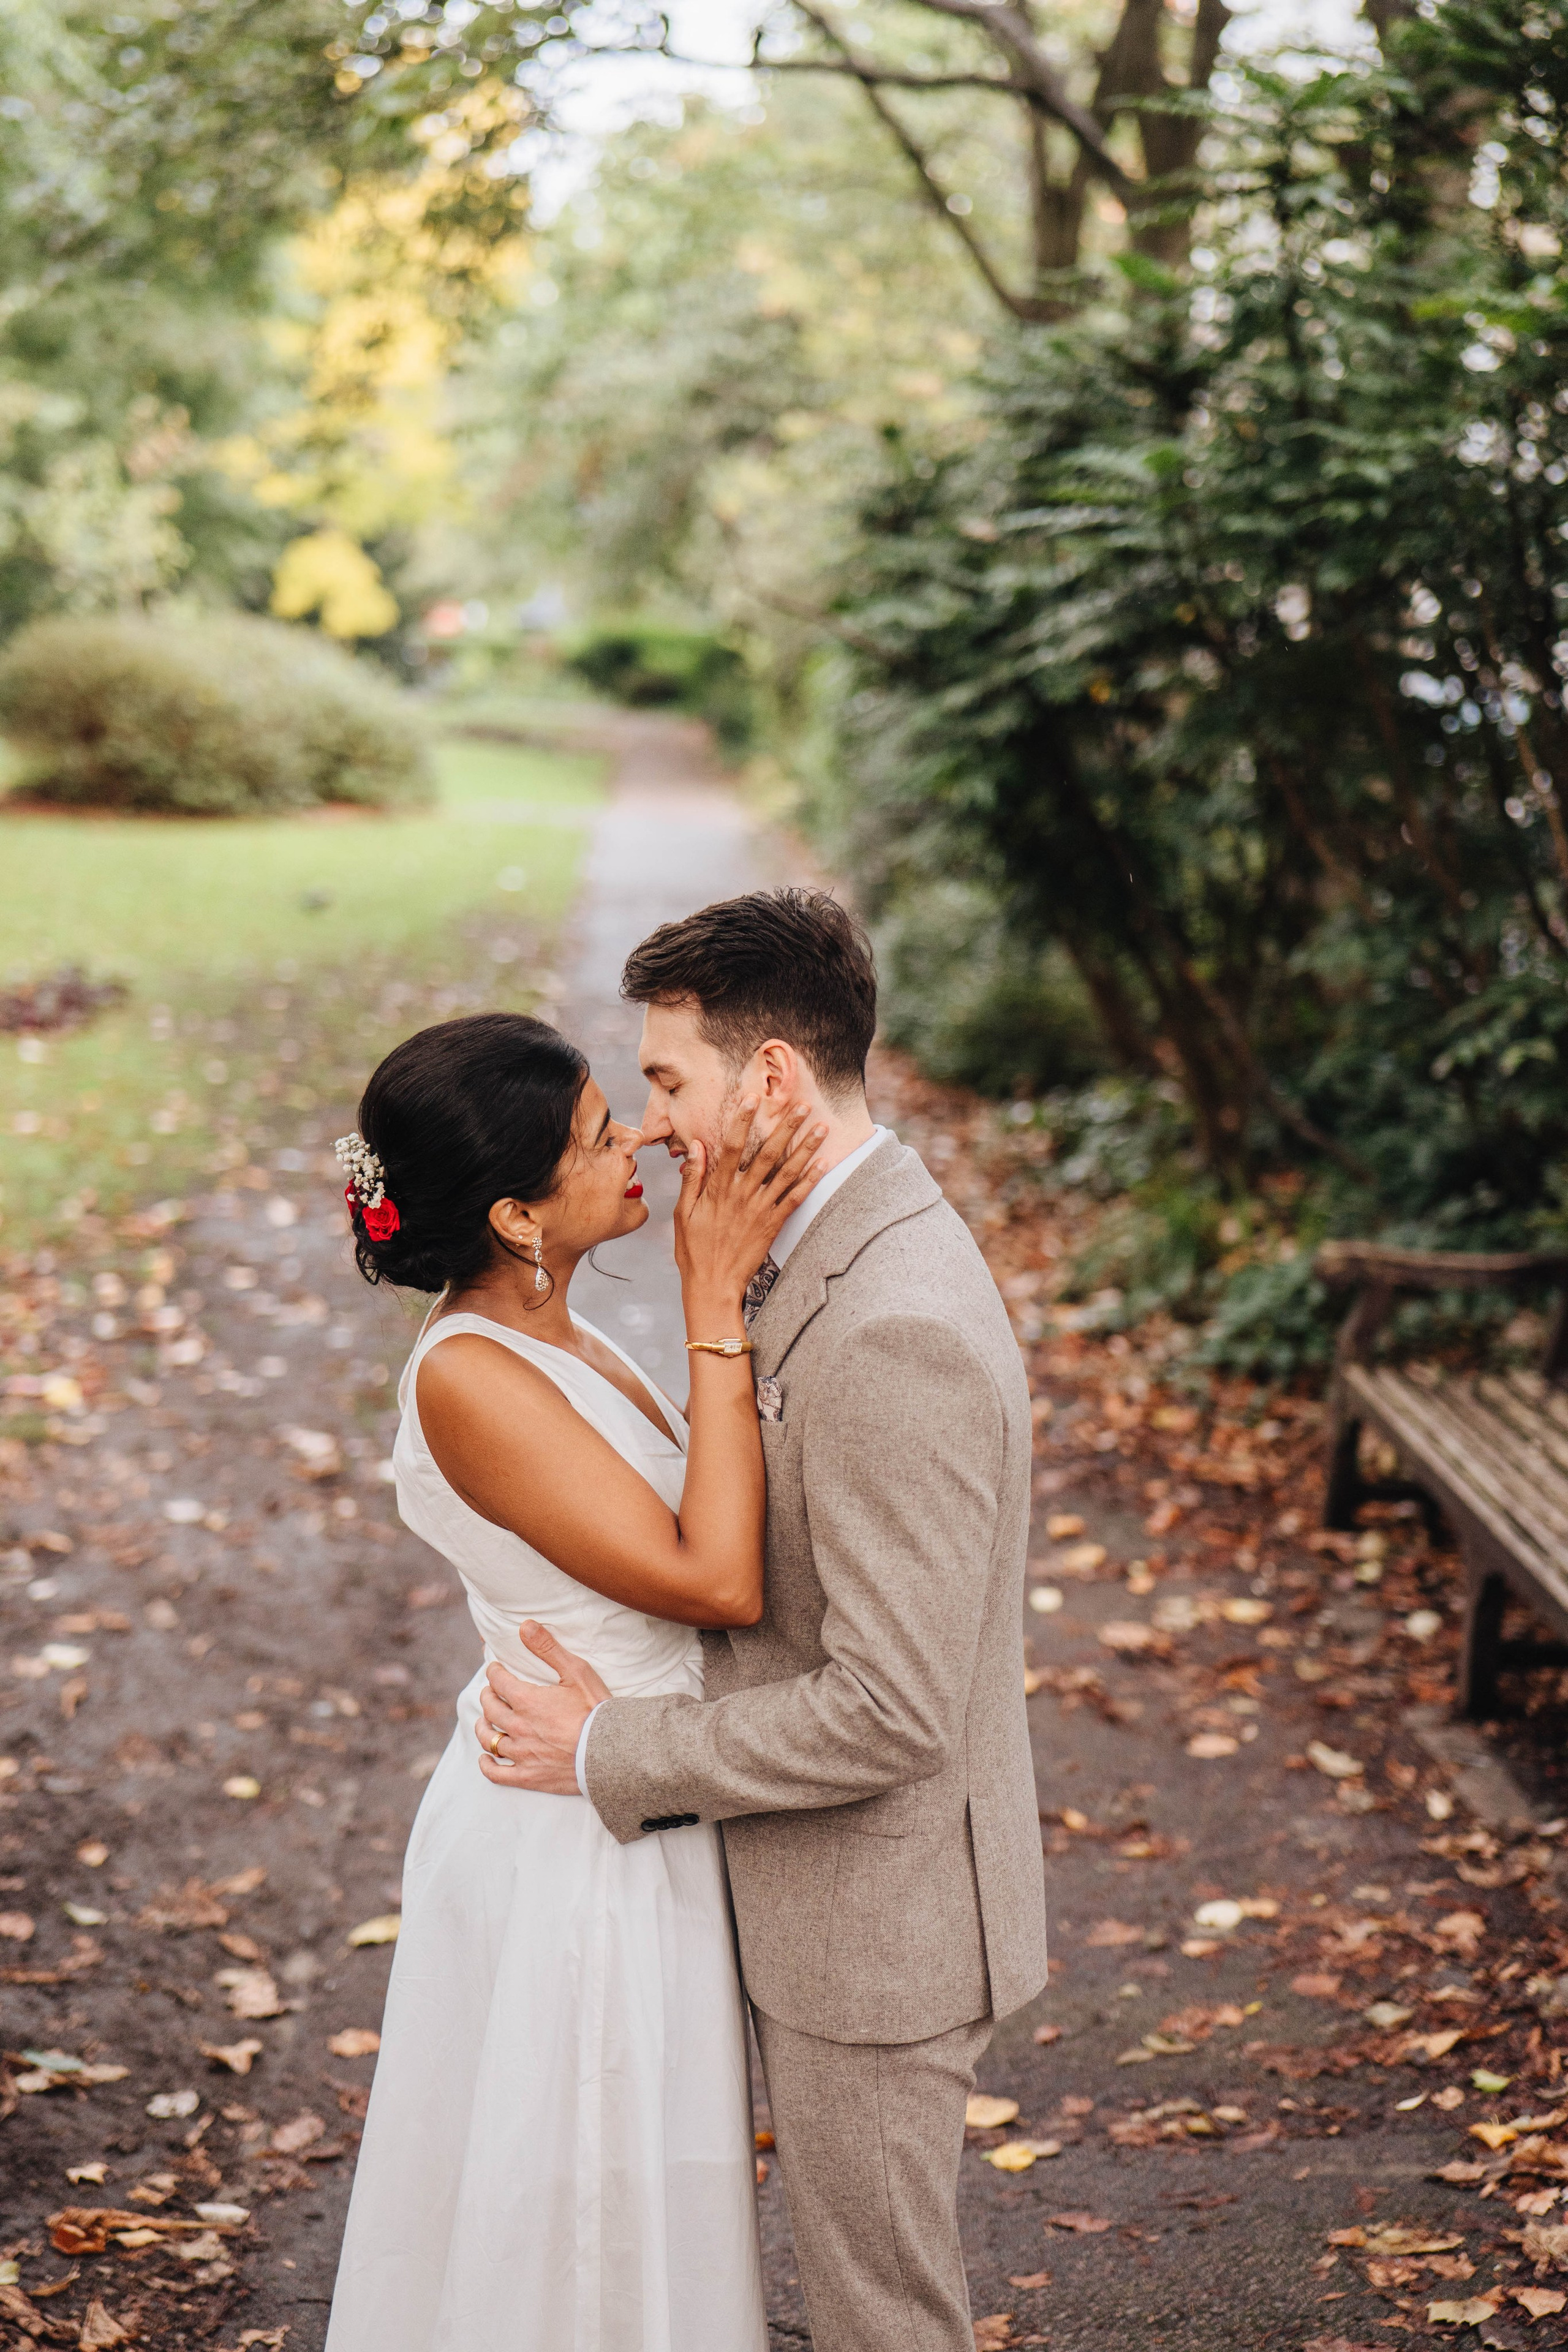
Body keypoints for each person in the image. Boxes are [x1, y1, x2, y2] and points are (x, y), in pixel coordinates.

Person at [478, 888, 1049, 2352]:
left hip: (877, 1936)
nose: (653, 1125)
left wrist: (611, 1750)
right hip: (823, 1904)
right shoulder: (824, 1244)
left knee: (881, 2322)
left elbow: (890, 1711)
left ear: (772, 1078)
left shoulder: (894, 1323)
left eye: (669, 1082)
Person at [322, 1008, 827, 2352]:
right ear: (515, 1215)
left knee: (639, 2201)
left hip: (630, 1792)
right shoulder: (470, 1380)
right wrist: (710, 1300)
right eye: (602, 1136)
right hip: (571, 1847)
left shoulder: (555, 1333)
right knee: (580, 2215)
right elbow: (714, 1581)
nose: (643, 1138)